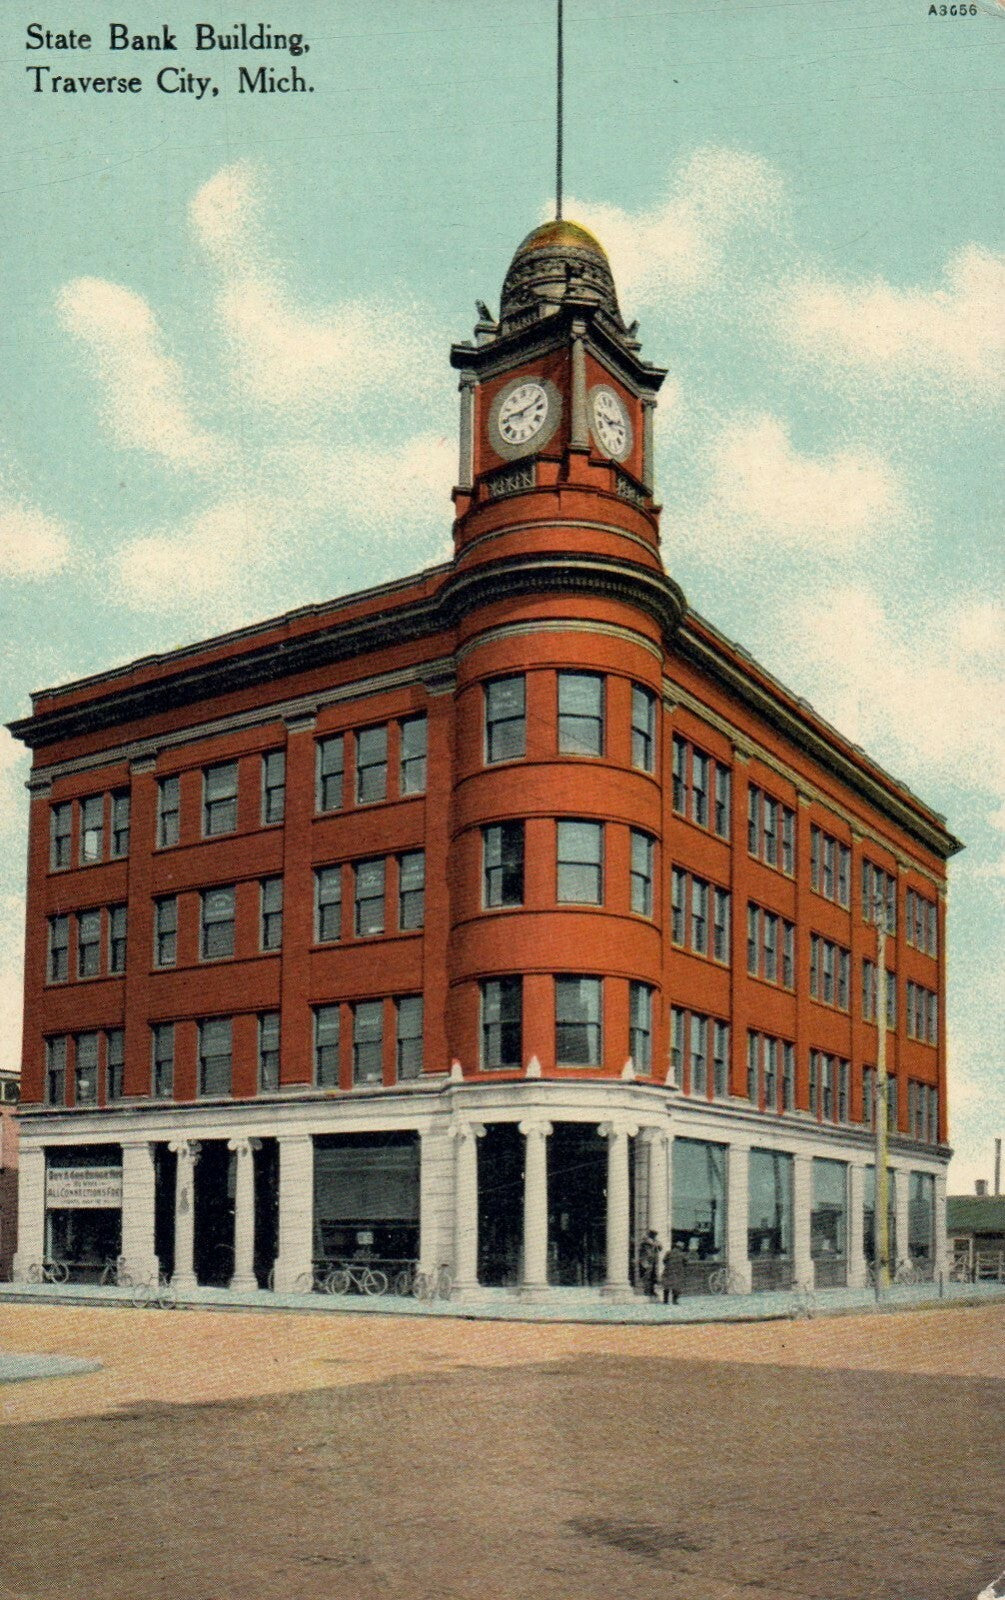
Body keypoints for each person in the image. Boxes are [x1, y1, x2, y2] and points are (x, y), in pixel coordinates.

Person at [638, 1229, 660, 1297]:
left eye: (655, 1235)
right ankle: (646, 1290)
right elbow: (646, 1252)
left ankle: (652, 1290)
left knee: (653, 1276)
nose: (654, 1236)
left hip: (654, 1261)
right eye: (653, 1235)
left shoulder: (655, 1242)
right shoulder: (645, 1242)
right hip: (647, 1261)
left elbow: (660, 1248)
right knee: (647, 1276)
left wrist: (656, 1244)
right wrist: (653, 1244)